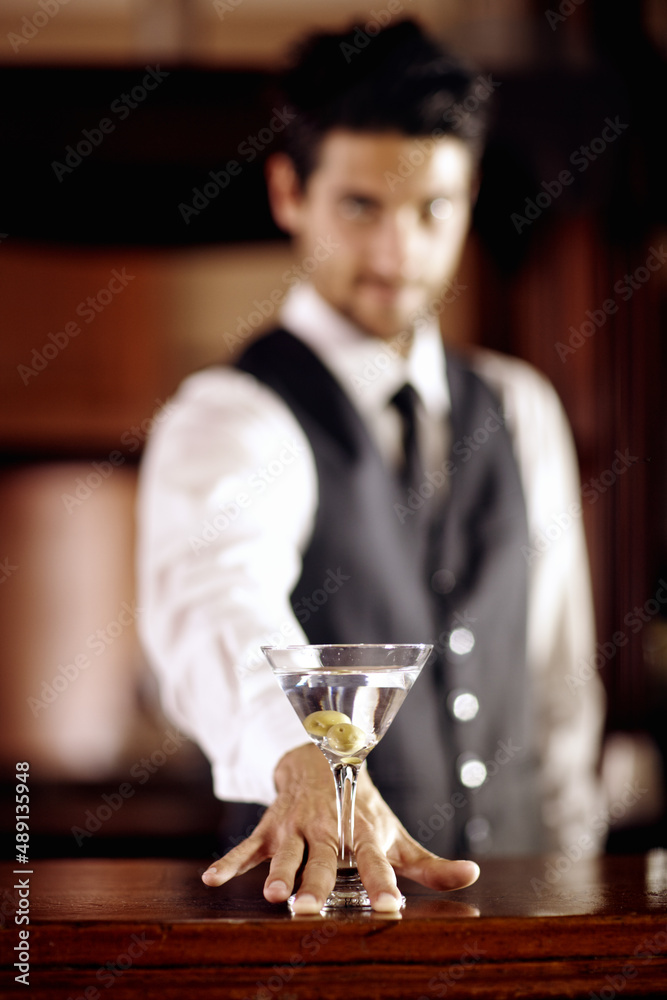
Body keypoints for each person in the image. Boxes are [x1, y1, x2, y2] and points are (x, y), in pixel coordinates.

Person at [137, 19, 605, 913]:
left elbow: (556, 689)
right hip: (311, 945)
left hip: (517, 933)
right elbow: (212, 603)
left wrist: (570, 895)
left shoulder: (519, 407)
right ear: (289, 193)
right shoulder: (231, 416)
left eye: (433, 209)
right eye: (361, 206)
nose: (398, 252)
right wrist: (298, 745)